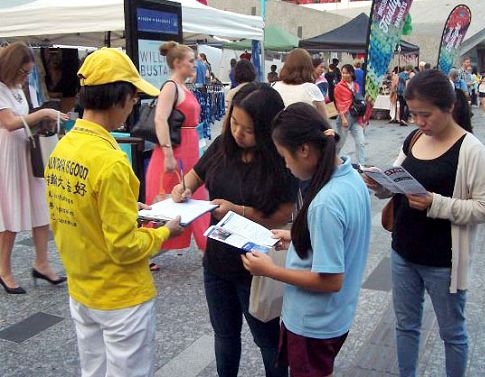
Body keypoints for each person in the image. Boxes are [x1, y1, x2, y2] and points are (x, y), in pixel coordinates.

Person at [45, 47, 184, 377]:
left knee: (93, 370)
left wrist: (127, 207)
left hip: (82, 289)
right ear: (120, 97)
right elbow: (124, 247)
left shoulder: (64, 148)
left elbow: (75, 210)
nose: (135, 104)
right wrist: (165, 232)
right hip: (121, 297)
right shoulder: (111, 162)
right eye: (134, 96)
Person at [364, 69, 485, 377]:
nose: (419, 122)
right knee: (406, 326)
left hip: (444, 261)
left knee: (452, 334)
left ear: (449, 108)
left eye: (426, 115)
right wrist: (381, 184)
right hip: (403, 252)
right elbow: (399, 177)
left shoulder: (472, 151)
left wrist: (437, 204)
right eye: (413, 114)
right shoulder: (414, 138)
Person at [171, 83, 297, 377]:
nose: (238, 132)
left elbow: (281, 214)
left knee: (267, 341)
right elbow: (194, 176)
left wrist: (236, 210)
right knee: (225, 335)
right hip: (217, 261)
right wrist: (182, 188)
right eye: (234, 122)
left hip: (256, 266)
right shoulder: (222, 145)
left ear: (266, 130)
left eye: (248, 129)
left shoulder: (280, 159)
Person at [242, 102, 371, 377]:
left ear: (304, 150)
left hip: (313, 322)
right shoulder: (351, 178)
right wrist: (297, 236)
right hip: (336, 316)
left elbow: (330, 280)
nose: (286, 166)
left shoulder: (325, 202)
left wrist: (271, 270)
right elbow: (342, 239)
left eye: (284, 157)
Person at [0, 41, 68, 294]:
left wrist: (43, 118)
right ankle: (4, 269)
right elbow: (9, 123)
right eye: (23, 71)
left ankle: (42, 262)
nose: (26, 76)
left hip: (26, 152)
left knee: (41, 207)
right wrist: (44, 114)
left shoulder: (17, 87)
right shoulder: (1, 89)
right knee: (10, 213)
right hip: (8, 154)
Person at [146, 41, 209, 254]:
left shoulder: (181, 87)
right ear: (177, 63)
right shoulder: (171, 86)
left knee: (196, 194)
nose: (194, 65)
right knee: (162, 199)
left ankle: (206, 243)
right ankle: (147, 247)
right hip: (177, 149)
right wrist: (167, 153)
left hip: (188, 147)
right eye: (190, 61)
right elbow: (160, 119)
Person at [272, 48, 328, 119]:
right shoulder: (311, 89)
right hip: (306, 128)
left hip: (279, 128)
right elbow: (324, 120)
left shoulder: (274, 86)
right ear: (308, 67)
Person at [334, 64, 366, 167]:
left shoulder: (356, 85)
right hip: (345, 117)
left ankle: (362, 165)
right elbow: (338, 103)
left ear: (352, 73)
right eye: (343, 73)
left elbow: (358, 100)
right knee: (340, 143)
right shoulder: (338, 87)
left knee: (361, 141)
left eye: (346, 73)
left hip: (356, 117)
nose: (344, 75)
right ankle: (330, 161)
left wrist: (362, 117)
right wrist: (343, 118)